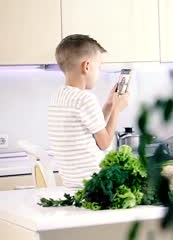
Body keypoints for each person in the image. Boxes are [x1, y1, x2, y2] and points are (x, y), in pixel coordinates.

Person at [48, 34, 129, 188]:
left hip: (74, 184)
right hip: (97, 183)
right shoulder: (85, 99)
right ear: (86, 66)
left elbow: (91, 125)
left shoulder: (58, 96)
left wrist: (109, 104)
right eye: (99, 67)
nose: (99, 72)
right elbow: (104, 143)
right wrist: (117, 110)